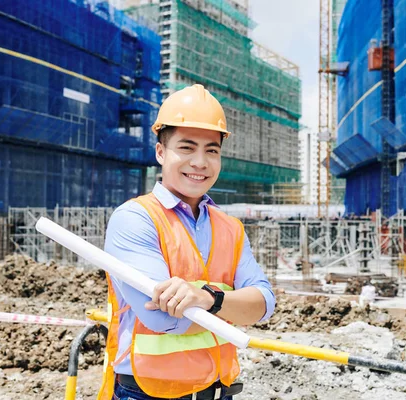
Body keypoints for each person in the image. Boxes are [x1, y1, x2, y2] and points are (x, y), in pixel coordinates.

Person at [97, 84, 276, 400]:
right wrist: (236, 306)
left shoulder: (230, 227)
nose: (200, 162)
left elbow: (264, 304)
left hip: (219, 392)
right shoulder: (135, 219)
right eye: (187, 147)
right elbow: (161, 318)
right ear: (160, 152)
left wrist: (208, 299)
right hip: (149, 393)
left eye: (211, 150)